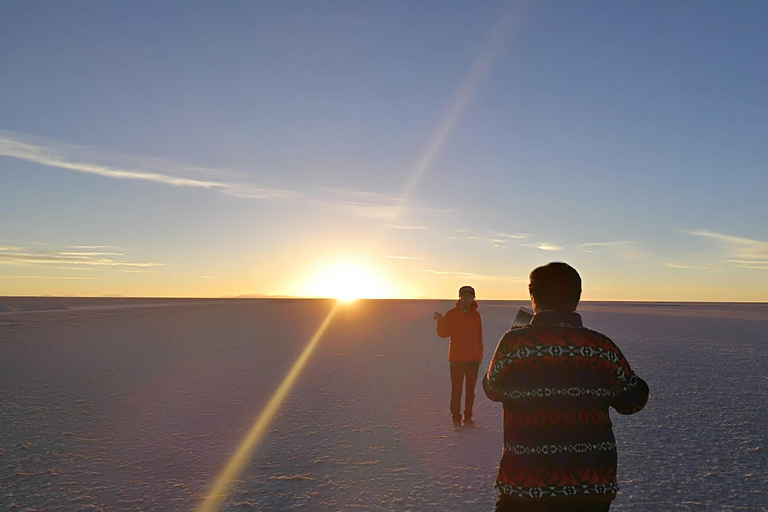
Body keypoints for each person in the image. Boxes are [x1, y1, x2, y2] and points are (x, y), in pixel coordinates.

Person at [483, 262, 649, 511]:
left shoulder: (514, 343)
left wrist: (515, 342)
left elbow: (493, 389)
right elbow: (634, 399)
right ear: (578, 297)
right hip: (590, 486)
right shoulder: (601, 346)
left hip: (526, 482)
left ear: (533, 296)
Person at [435, 285, 484, 431]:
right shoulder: (452, 313)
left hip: (473, 359)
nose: (467, 298)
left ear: (473, 298)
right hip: (456, 359)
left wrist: (480, 355)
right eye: (464, 296)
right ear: (460, 297)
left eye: (470, 296)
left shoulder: (476, 315)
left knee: (470, 391)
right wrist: (440, 321)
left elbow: (479, 337)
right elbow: (443, 333)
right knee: (456, 390)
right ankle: (456, 419)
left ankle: (468, 418)